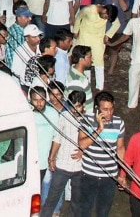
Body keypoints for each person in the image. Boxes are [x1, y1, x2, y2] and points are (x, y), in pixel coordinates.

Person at [78, 90, 126, 217]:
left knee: (103, 212)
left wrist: (123, 174)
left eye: (111, 109)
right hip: (88, 174)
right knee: (84, 210)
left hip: (109, 177)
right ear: (97, 108)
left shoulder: (119, 123)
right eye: (105, 109)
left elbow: (120, 148)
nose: (109, 113)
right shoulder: (86, 120)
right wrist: (99, 129)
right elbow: (82, 144)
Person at [42, 89, 87, 217]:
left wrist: (83, 151)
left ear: (83, 105)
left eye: (77, 106)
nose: (74, 109)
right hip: (62, 164)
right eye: (72, 106)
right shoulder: (64, 116)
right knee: (52, 198)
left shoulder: (88, 120)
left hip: (80, 167)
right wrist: (52, 158)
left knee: (76, 201)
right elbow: (57, 138)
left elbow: (92, 141)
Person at [73, 3, 118, 90]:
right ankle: (86, 83)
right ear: (105, 11)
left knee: (99, 63)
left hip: (98, 40)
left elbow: (117, 24)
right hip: (84, 37)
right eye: (106, 17)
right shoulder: (89, 10)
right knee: (85, 60)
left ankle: (100, 88)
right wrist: (76, 30)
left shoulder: (109, 14)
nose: (106, 19)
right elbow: (79, 17)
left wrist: (108, 35)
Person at [66, 45, 94, 111]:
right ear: (81, 60)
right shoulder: (76, 82)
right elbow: (76, 105)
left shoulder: (74, 70)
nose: (92, 59)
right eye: (89, 57)